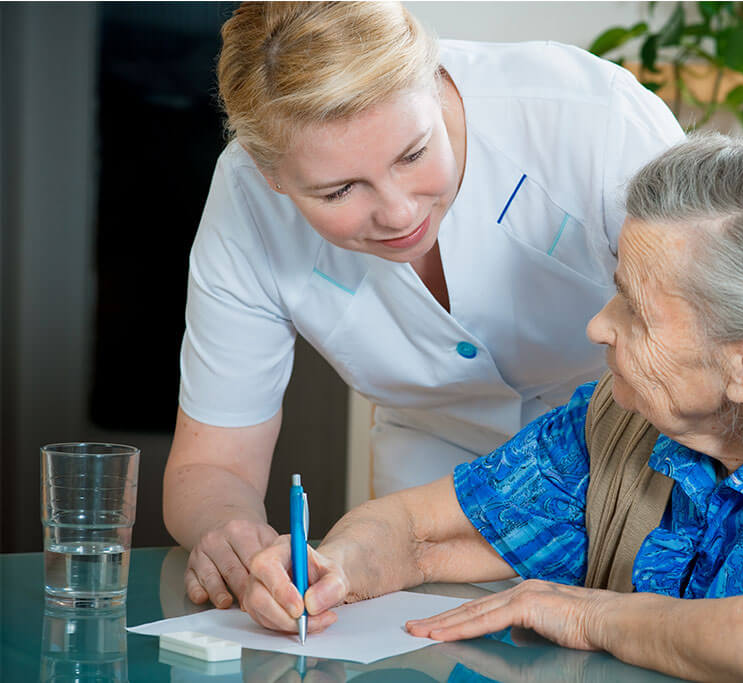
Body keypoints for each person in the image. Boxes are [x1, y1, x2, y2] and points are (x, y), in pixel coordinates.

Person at [240, 135, 743, 682]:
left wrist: (591, 614)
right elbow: (417, 533)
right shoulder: (630, 415)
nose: (597, 327)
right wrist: (332, 568)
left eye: (634, 309)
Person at [162, 1, 684, 611]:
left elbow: (710, 347)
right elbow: (213, 464)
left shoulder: (591, 119)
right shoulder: (247, 204)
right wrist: (230, 533)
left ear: (435, 81)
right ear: (268, 173)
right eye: (340, 190)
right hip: (431, 481)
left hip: (635, 449)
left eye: (412, 155)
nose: (400, 212)